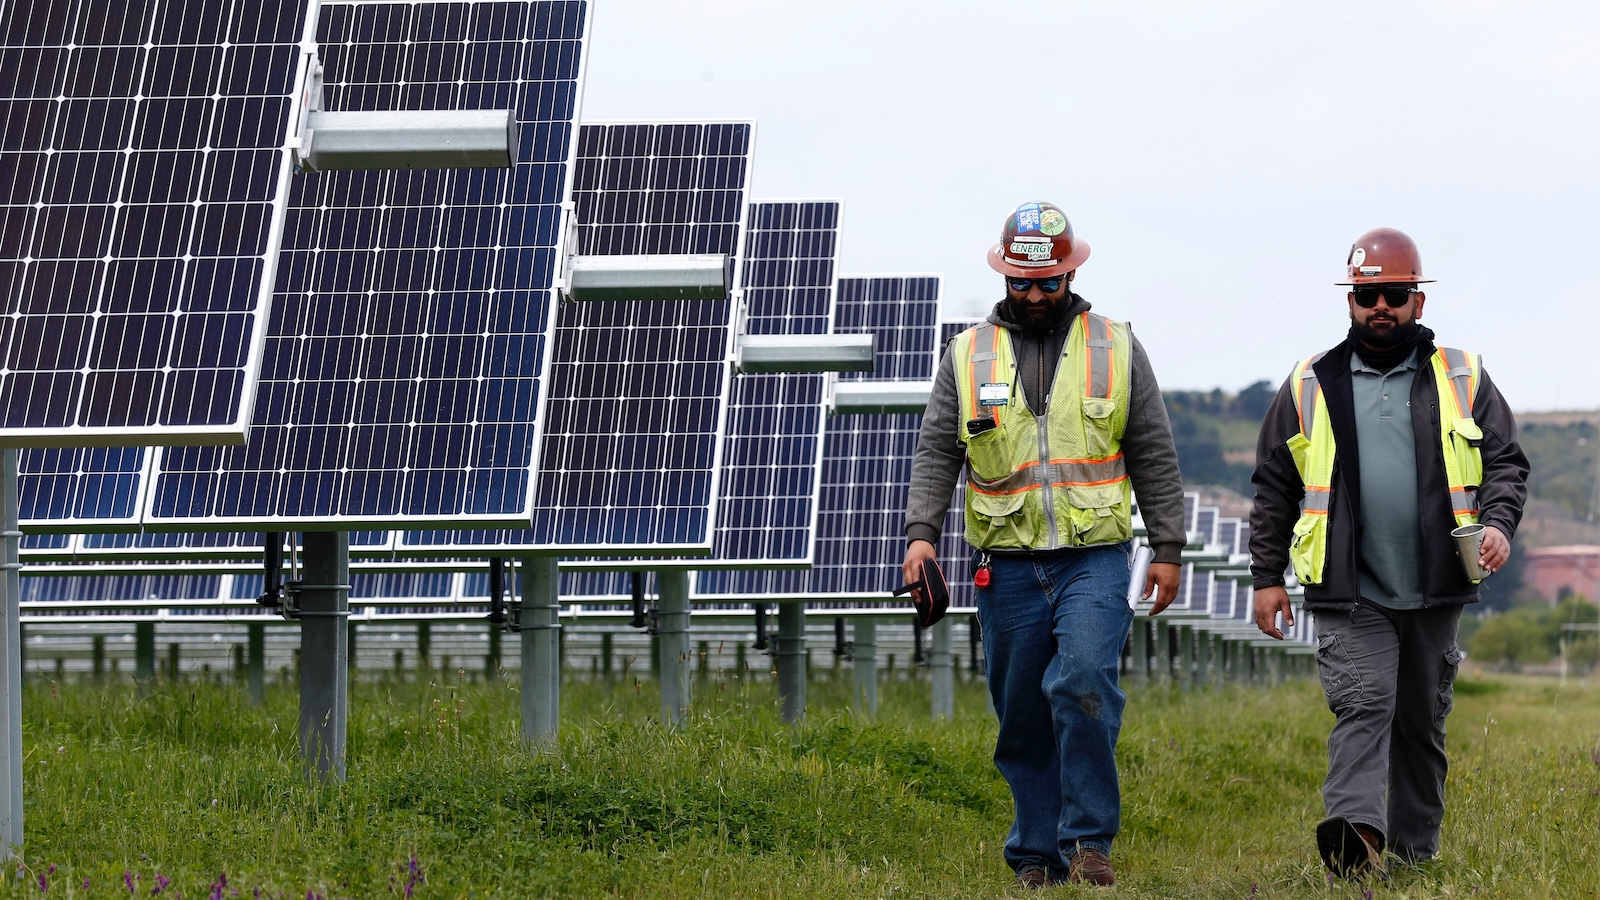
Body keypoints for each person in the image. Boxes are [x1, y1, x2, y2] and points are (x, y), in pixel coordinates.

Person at [903, 201, 1186, 888]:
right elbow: (938, 451)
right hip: (1005, 564)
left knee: (1084, 680)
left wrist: (1171, 547)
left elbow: (1152, 449)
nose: (1035, 296)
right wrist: (921, 537)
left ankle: (1089, 840)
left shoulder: (1115, 345)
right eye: (1022, 283)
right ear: (1005, 277)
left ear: (1070, 273)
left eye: (1048, 283)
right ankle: (1036, 852)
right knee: (1022, 710)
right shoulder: (966, 355)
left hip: (1095, 556)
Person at [1249, 227, 1529, 878]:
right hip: (1350, 588)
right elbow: (1272, 485)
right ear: (1350, 299)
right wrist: (1266, 577)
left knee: (1420, 725)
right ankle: (1356, 838)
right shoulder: (1309, 382)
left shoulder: (1463, 376)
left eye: (1394, 294)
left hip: (1438, 582)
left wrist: (1498, 525)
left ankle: (1414, 854)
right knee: (1363, 705)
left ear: (1418, 302)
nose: (1381, 306)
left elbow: (1506, 464)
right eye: (1367, 294)